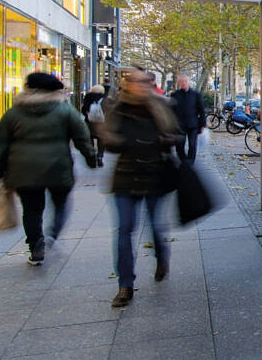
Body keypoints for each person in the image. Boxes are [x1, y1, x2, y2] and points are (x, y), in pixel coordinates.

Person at [0, 72, 96, 266]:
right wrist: (90, 157)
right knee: (60, 204)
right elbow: (82, 136)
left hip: (23, 170)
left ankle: (36, 246)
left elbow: (0, 143)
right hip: (58, 168)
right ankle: (53, 234)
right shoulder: (65, 110)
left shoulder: (13, 113)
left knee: (31, 209)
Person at [101, 68, 180, 307]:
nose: (140, 86)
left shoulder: (161, 107)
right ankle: (125, 284)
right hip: (126, 177)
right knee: (124, 229)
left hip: (154, 174)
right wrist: (115, 141)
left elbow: (178, 135)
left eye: (144, 82)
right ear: (127, 85)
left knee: (155, 225)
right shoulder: (118, 109)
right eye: (135, 82)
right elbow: (108, 140)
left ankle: (161, 256)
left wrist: (164, 140)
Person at [169, 76, 205, 163]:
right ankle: (184, 161)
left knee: (192, 145)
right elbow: (171, 111)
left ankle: (190, 162)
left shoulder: (196, 94)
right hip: (179, 125)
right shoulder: (175, 95)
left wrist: (202, 124)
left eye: (185, 81)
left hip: (193, 124)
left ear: (188, 82)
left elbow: (201, 110)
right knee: (179, 146)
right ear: (179, 83)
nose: (183, 83)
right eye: (181, 82)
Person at [81, 85, 107, 166]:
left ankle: (92, 156)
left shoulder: (87, 98)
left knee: (90, 140)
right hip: (101, 124)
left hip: (89, 123)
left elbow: (83, 110)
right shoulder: (104, 99)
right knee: (101, 140)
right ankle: (100, 156)